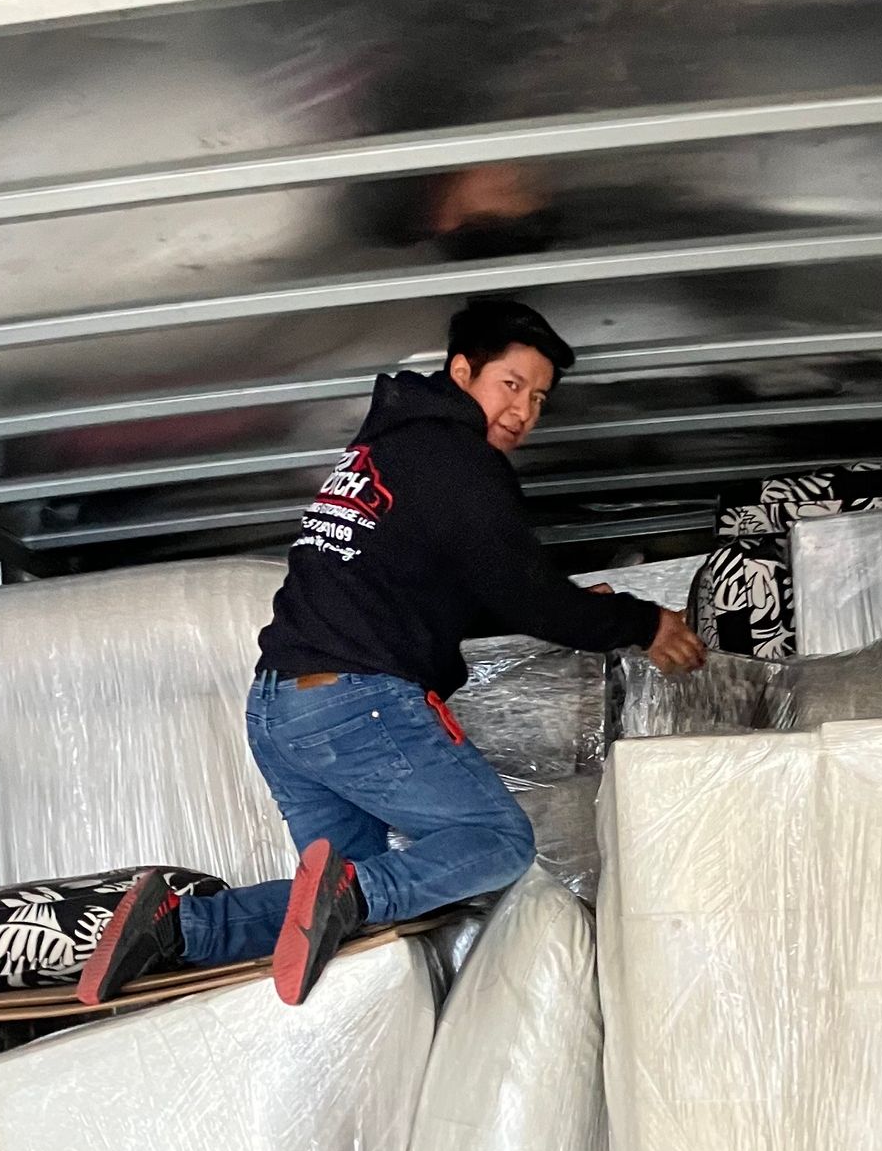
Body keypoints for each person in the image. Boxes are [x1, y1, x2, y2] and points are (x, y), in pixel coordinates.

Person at [78, 296, 707, 1008]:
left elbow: (453, 591)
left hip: (279, 711)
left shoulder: (389, 449)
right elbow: (526, 594)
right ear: (462, 370)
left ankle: (181, 929)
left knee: (344, 910)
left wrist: (575, 607)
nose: (524, 411)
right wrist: (642, 622)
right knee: (496, 842)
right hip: (356, 703)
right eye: (511, 385)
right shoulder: (459, 458)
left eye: (538, 398)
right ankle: (339, 895)